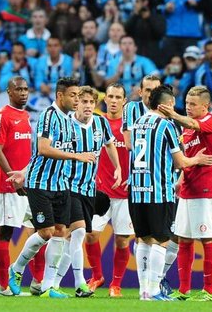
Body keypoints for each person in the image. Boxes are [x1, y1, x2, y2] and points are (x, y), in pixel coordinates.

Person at [6, 77, 97, 298]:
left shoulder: (69, 121)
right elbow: (43, 149)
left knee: (60, 232)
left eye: (78, 96)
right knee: (45, 232)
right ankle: (16, 268)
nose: (76, 100)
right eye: (73, 95)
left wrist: (23, 170)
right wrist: (77, 156)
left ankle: (48, 287)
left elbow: (46, 153)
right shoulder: (48, 116)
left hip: (61, 184)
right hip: (40, 183)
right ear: (60, 95)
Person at [129, 85, 212, 301]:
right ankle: (154, 290)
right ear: (167, 104)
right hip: (159, 191)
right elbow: (180, 162)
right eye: (174, 103)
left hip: (136, 190)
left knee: (143, 240)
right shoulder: (166, 125)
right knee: (161, 241)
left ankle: (143, 291)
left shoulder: (138, 122)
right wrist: (197, 159)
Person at [53, 86, 121, 297]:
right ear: (77, 104)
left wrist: (118, 167)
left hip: (88, 189)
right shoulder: (66, 124)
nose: (89, 106)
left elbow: (109, 145)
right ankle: (80, 283)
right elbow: (50, 149)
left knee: (69, 237)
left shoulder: (101, 123)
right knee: (80, 232)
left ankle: (51, 283)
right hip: (67, 186)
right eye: (84, 102)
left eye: (92, 102)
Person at [158, 86, 212, 301]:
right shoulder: (186, 131)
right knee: (184, 239)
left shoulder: (210, 122)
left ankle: (209, 291)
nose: (188, 107)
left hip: (208, 190)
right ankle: (184, 290)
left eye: (193, 104)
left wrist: (173, 114)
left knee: (207, 238)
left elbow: (193, 124)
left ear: (206, 106)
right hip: (188, 189)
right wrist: (180, 180)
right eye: (186, 103)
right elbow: (188, 156)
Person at [0, 76, 42, 296]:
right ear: (9, 92)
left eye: (26, 89)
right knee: (5, 233)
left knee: (42, 230)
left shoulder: (26, 116)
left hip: (28, 184)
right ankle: (3, 286)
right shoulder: (1, 116)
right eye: (18, 89)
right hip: (7, 185)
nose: (23, 93)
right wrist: (13, 177)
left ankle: (38, 282)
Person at [86, 83, 132, 297]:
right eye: (110, 96)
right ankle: (97, 276)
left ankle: (116, 284)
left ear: (124, 101)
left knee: (122, 240)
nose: (113, 100)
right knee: (91, 235)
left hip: (125, 193)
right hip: (100, 191)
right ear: (105, 99)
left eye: (118, 97)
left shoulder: (130, 127)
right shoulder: (97, 123)